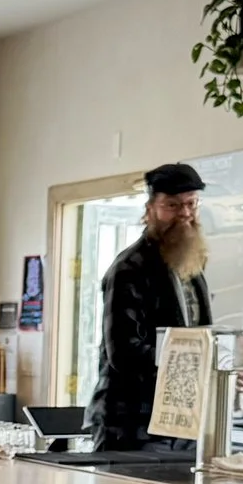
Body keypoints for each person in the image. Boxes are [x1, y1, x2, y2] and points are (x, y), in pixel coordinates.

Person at [85, 162, 213, 451]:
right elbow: (124, 354)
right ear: (150, 209)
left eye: (191, 204)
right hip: (132, 423)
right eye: (172, 205)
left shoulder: (192, 265)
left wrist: (222, 360)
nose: (184, 213)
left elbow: (200, 336)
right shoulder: (130, 268)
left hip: (182, 420)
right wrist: (197, 361)